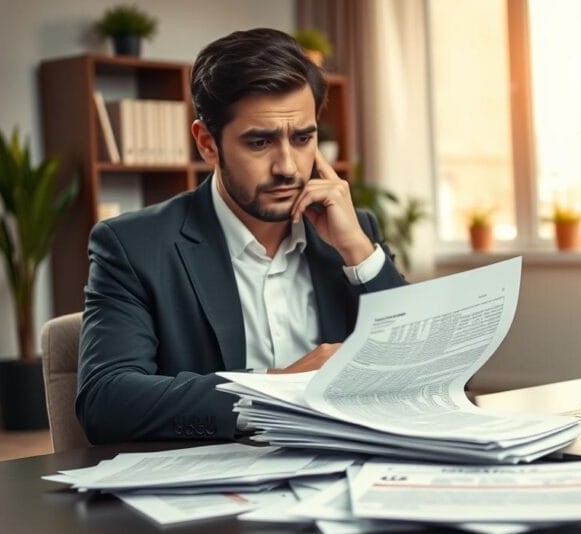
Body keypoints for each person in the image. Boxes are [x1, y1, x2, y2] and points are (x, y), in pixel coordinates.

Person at [76, 28, 406, 444]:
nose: (287, 166)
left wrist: (359, 251)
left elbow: (423, 366)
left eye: (303, 138)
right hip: (212, 490)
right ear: (207, 144)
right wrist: (278, 388)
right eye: (260, 142)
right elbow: (106, 400)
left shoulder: (353, 232)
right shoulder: (132, 247)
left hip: (343, 474)